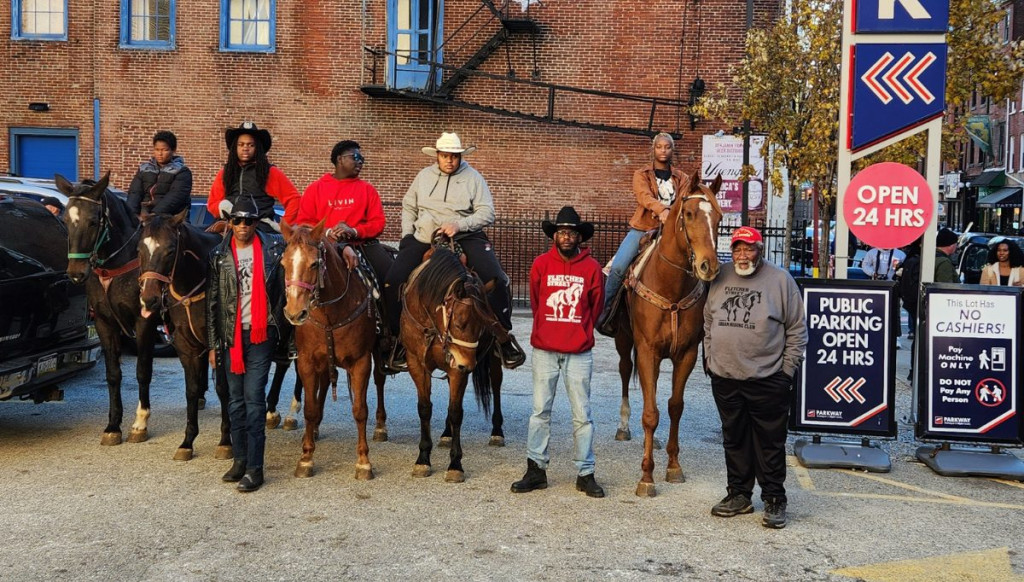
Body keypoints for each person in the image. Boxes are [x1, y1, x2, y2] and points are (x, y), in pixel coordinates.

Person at [383, 132, 525, 371]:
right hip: (424, 236)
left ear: (460, 157)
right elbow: (409, 205)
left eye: (454, 156)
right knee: (392, 281)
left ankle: (503, 339)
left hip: (466, 235)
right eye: (445, 156)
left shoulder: (473, 178)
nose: (450, 160)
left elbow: (486, 212)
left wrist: (460, 224)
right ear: (437, 156)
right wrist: (408, 234)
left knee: (497, 279)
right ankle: (397, 340)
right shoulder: (423, 176)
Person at [703, 226, 807, 529]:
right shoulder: (719, 276)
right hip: (725, 375)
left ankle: (774, 498)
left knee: (769, 442)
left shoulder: (780, 280)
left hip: (768, 377)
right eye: (737, 249)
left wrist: (786, 371)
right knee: (734, 438)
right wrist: (710, 358)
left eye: (749, 249)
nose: (742, 255)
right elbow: (709, 319)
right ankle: (739, 494)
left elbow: (797, 329)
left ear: (759, 250)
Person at [511, 207, 606, 499]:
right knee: (540, 411)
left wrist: (578, 332)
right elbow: (538, 303)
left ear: (579, 237)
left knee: (583, 414)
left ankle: (585, 472)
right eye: (562, 232)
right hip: (545, 350)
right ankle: (536, 469)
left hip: (578, 352)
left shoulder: (591, 268)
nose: (567, 237)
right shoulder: (540, 264)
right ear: (555, 236)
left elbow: (596, 307)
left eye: (572, 233)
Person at [207, 197, 287, 492]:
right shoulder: (218, 255)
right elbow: (213, 304)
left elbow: (284, 291)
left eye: (248, 220)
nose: (242, 226)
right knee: (234, 401)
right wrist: (213, 346)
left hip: (260, 335)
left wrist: (275, 322)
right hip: (231, 338)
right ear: (230, 223)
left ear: (256, 222)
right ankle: (239, 460)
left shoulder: (273, 250)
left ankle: (255, 468)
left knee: (254, 400)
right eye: (237, 220)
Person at [597, 132, 688, 336]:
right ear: (653, 149)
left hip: (672, 231)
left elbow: (684, 201)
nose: (663, 150)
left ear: (673, 150)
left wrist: (672, 215)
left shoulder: (682, 178)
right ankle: (606, 310)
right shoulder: (642, 174)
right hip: (643, 228)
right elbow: (643, 196)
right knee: (619, 267)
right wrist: (662, 210)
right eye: (659, 147)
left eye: (667, 147)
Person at [295, 140, 391, 286]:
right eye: (355, 157)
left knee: (391, 278)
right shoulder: (315, 189)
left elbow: (378, 223)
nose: (360, 163)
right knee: (293, 274)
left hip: (362, 245)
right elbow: (304, 222)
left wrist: (354, 231)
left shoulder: (367, 189)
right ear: (340, 159)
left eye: (362, 160)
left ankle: (389, 309)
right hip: (324, 246)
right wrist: (327, 233)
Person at [207, 121, 300, 232]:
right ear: (235, 147)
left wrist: (284, 225)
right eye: (241, 144)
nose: (245, 148)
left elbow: (294, 199)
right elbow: (212, 203)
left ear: (258, 148)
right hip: (230, 222)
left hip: (260, 224)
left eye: (251, 145)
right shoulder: (225, 172)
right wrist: (224, 206)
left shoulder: (270, 172)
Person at [127, 130, 192, 216]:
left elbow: (176, 196)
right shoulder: (144, 169)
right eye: (157, 149)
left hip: (172, 217)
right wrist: (132, 215)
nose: (160, 153)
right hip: (144, 214)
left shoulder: (182, 171)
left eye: (164, 150)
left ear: (173, 150)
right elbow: (135, 193)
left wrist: (154, 214)